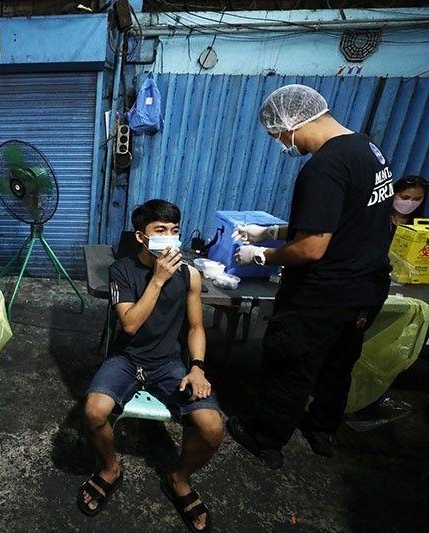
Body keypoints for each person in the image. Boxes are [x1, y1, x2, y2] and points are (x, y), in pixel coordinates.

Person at [229, 84, 392, 469]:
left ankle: (266, 440)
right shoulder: (366, 149)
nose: (281, 144)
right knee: (338, 364)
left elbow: (313, 247)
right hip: (365, 288)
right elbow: (343, 219)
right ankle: (322, 431)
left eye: (277, 136)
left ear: (290, 124)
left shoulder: (323, 166)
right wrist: (271, 231)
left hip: (323, 293)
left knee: (291, 364)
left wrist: (262, 254)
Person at [76, 200, 224, 532]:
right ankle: (111, 468)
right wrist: (157, 280)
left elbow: (197, 327)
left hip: (168, 363)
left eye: (175, 232)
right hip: (126, 360)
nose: (170, 239)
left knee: (212, 427)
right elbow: (129, 324)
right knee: (94, 410)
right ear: (142, 237)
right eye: (160, 231)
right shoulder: (122, 271)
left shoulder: (190, 275)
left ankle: (179, 478)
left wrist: (197, 367)